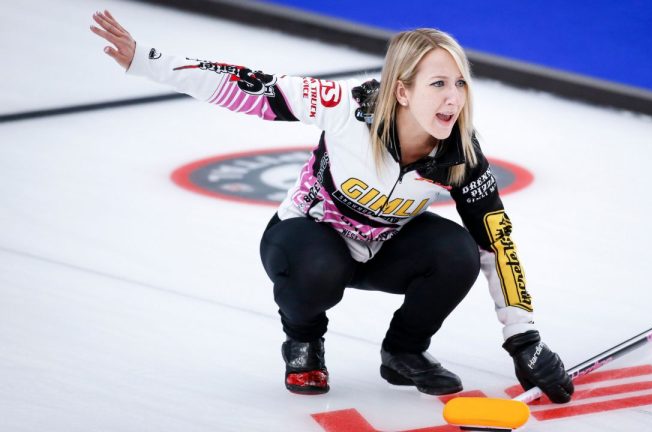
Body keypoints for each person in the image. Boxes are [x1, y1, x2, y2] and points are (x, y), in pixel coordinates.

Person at [90, 10, 574, 401]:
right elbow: (246, 86)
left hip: (381, 250)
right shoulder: (346, 107)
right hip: (305, 240)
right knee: (319, 266)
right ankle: (303, 341)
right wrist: (146, 59)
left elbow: (498, 242)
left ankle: (403, 352)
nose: (454, 98)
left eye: (461, 83)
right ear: (401, 91)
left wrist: (523, 339)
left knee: (458, 251)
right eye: (438, 84)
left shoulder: (460, 156)